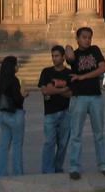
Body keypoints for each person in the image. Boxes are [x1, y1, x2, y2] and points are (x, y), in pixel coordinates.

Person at [65, 26, 105, 180]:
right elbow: (69, 57)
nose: (87, 40)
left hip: (95, 97)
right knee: (76, 134)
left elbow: (102, 68)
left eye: (89, 37)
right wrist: (68, 46)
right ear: (78, 39)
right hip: (79, 98)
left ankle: (103, 164)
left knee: (99, 134)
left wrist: (83, 77)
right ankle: (74, 167)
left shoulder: (95, 50)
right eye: (84, 37)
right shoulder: (74, 55)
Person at [38, 45, 73, 174]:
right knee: (49, 143)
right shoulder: (46, 72)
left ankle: (57, 168)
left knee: (63, 144)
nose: (54, 58)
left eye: (57, 56)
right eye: (52, 56)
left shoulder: (69, 73)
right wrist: (64, 89)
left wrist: (54, 91)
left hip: (66, 112)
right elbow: (45, 91)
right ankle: (47, 170)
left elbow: (71, 94)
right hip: (50, 113)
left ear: (63, 57)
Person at [0, 56, 27, 176]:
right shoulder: (14, 80)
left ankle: (0, 172)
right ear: (12, 66)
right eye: (16, 64)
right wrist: (23, 94)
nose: (17, 66)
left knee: (4, 145)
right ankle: (18, 172)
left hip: (3, 115)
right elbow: (18, 100)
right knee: (17, 145)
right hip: (15, 114)